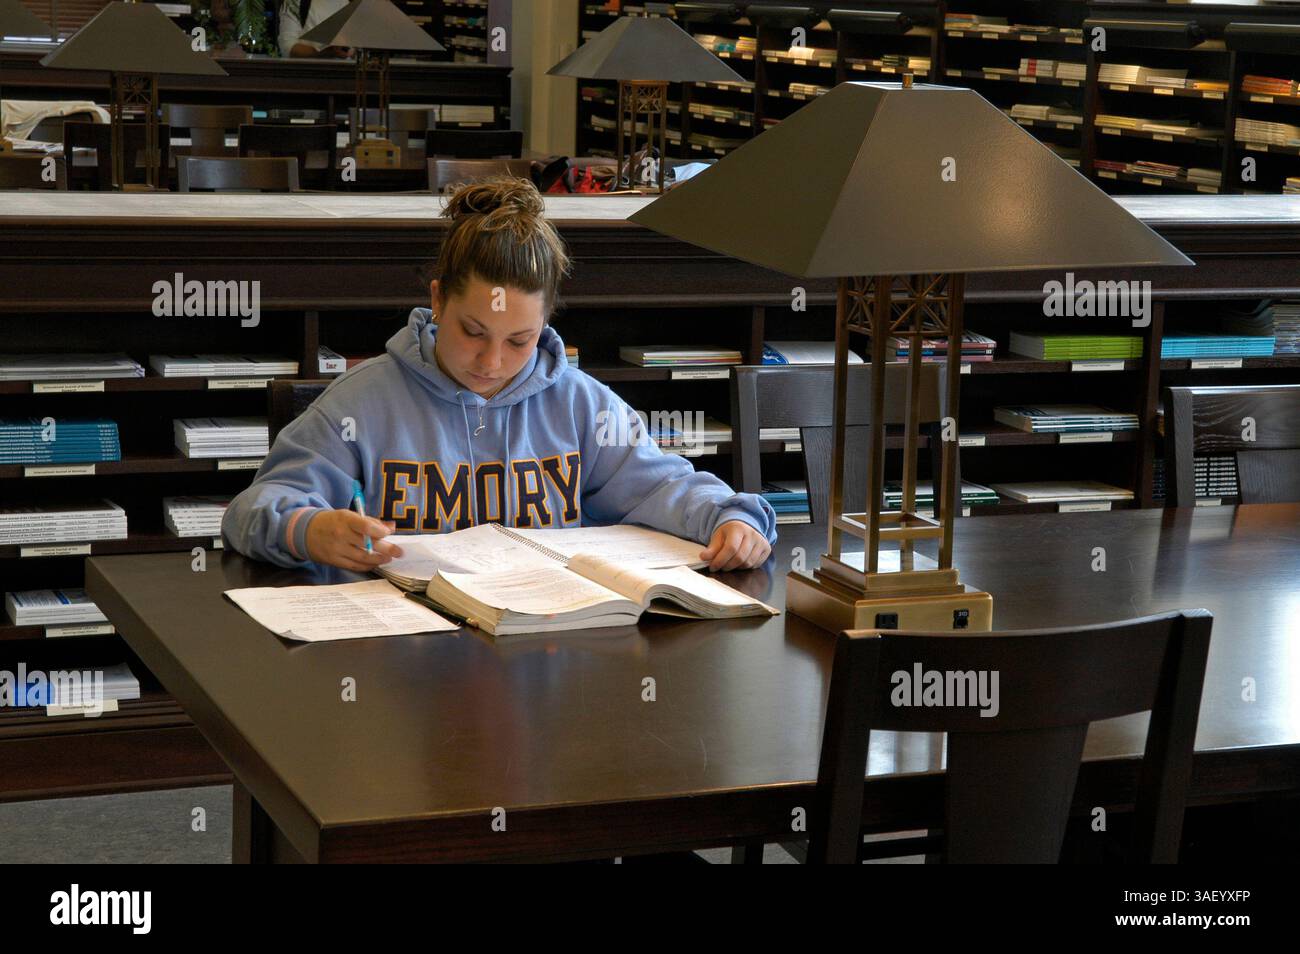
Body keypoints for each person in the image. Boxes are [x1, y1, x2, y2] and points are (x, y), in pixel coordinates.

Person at [221, 176, 776, 573]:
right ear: (437, 300)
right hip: (402, 659)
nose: (491, 363)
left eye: (519, 340)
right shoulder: (361, 404)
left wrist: (734, 519)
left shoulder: (582, 405)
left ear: (546, 321)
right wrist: (307, 530)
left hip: (547, 650)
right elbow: (251, 511)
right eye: (473, 331)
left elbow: (666, 486)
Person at [278, 0, 351, 58]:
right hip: (307, 73)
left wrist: (350, 50)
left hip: (344, 72)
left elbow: (352, 46)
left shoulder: (344, 2)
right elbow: (287, 48)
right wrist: (325, 51)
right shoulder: (294, 3)